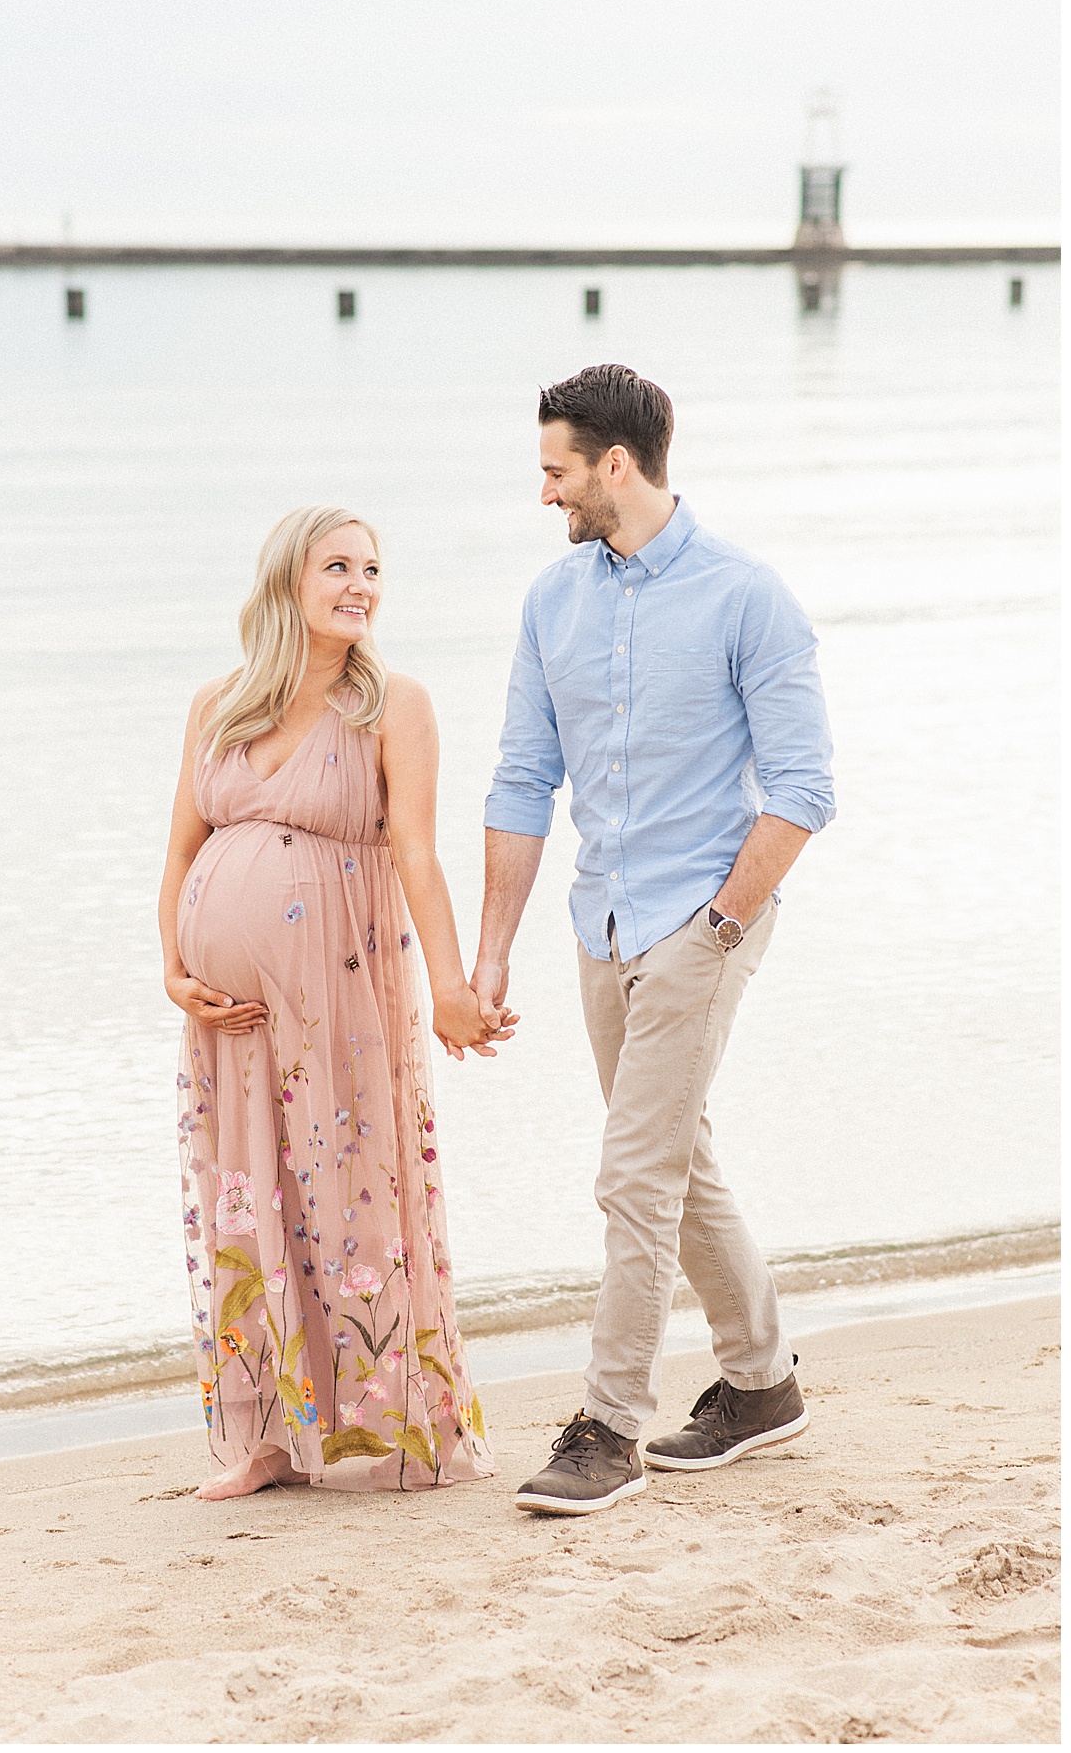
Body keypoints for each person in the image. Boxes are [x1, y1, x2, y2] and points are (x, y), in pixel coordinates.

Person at [475, 363, 835, 1517]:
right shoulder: (552, 602)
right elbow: (524, 782)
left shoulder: (747, 596)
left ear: (613, 465)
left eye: (555, 469)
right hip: (603, 922)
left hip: (703, 917)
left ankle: (609, 1427)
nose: (545, 494)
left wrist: (724, 922)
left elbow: (803, 788)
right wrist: (491, 954)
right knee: (676, 1161)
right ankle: (761, 1384)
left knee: (633, 1172)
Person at [160, 504, 501, 1499]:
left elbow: (417, 855)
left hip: (340, 998)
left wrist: (450, 985)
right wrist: (172, 966)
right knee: (248, 1198)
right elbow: (181, 848)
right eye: (337, 566)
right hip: (229, 1017)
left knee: (345, 1199)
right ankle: (266, 1436)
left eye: (372, 568)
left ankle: (393, 1422)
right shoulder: (216, 705)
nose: (360, 584)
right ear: (287, 584)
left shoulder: (394, 703)